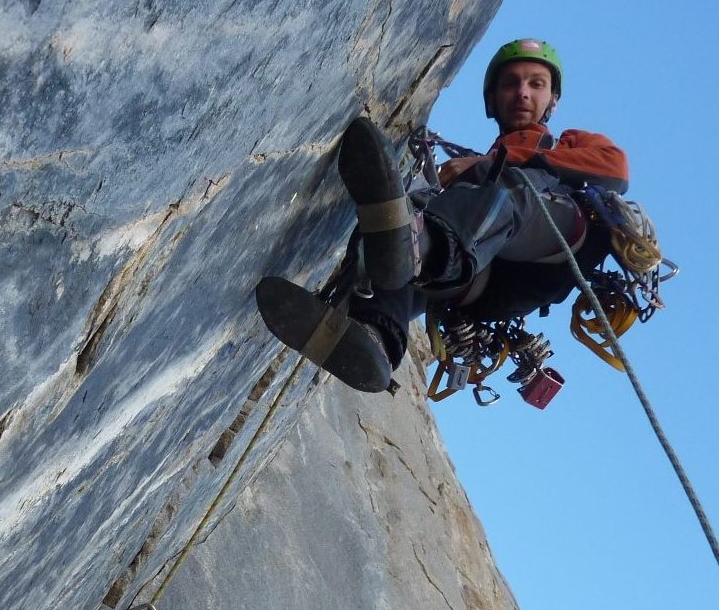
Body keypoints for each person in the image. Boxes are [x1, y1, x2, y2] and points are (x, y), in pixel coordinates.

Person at [259, 38, 633, 393]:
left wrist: (493, 163)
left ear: (553, 100)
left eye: (537, 84)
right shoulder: (472, 176)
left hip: (551, 243)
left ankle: (419, 249)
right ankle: (377, 340)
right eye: (511, 84)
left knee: (502, 193)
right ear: (492, 100)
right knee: (397, 224)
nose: (522, 93)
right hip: (482, 279)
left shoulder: (568, 143)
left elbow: (614, 169)